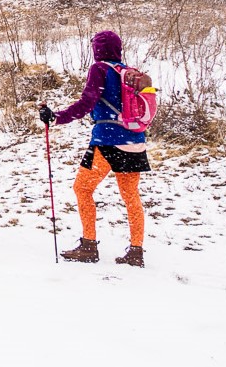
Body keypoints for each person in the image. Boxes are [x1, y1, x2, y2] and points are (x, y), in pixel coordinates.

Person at [39, 30, 150, 268]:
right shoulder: (128, 73)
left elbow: (87, 103)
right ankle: (136, 251)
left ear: (98, 49)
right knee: (131, 196)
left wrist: (56, 117)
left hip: (106, 142)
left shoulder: (99, 69)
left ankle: (89, 245)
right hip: (135, 141)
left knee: (82, 188)